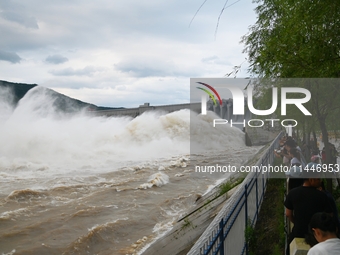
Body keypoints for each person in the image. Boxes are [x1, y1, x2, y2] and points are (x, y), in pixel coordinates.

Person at [284, 172, 332, 250]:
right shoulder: (322, 196)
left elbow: (288, 213)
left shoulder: (293, 193)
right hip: (316, 236)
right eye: (318, 179)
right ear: (311, 179)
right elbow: (329, 215)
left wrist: (296, 222)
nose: (320, 181)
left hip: (298, 233)